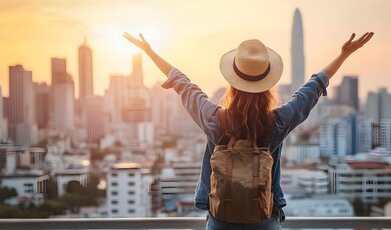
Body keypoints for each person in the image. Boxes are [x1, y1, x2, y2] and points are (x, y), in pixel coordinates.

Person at [124, 31, 374, 229]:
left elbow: (184, 83)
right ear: (268, 85)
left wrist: (149, 51)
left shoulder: (214, 120)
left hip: (221, 218)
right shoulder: (277, 122)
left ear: (233, 83)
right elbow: (312, 88)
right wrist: (343, 54)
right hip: (262, 218)